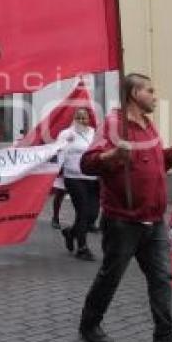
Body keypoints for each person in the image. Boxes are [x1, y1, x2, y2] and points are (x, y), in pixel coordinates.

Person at [78, 73, 172, 342]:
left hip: (154, 220)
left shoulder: (148, 125)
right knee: (111, 276)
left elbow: (156, 163)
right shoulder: (114, 124)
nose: (155, 95)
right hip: (123, 222)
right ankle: (89, 325)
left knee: (161, 278)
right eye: (150, 90)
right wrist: (111, 154)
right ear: (133, 93)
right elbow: (87, 162)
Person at [58, 108, 99, 260]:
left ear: (89, 119)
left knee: (92, 215)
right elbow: (58, 153)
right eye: (79, 118)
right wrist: (64, 144)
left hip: (93, 178)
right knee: (82, 212)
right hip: (74, 177)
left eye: (85, 118)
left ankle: (70, 233)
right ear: (74, 119)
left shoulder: (94, 133)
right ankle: (82, 248)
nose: (82, 120)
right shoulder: (66, 134)